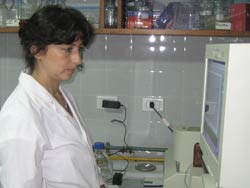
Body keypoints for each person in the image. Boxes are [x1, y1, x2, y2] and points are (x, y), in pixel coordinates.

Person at [0, 5, 106, 188]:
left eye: (79, 49)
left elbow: (83, 168)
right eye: (67, 49)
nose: (78, 59)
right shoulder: (20, 115)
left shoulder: (63, 96)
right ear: (37, 51)